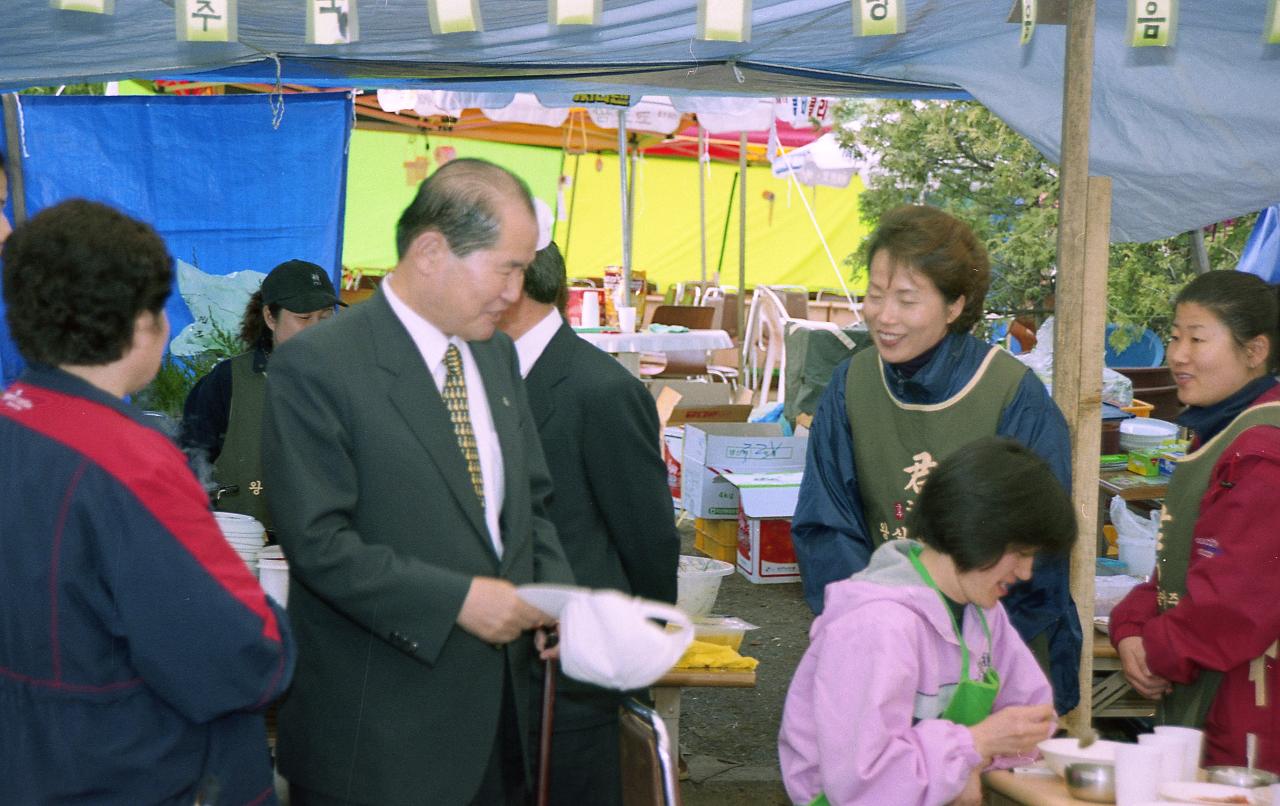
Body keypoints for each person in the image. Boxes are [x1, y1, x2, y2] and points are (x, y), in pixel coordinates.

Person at [262, 158, 574, 806]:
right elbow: (318, 541)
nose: (517, 292)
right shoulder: (318, 366)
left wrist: (557, 596)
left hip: (501, 728)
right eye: (506, 268)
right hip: (380, 743)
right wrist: (458, 599)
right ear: (432, 252)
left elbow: (529, 505)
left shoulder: (494, 355)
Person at [0, 199, 294, 805]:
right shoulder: (130, 462)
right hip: (137, 771)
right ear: (142, 323)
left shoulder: (15, 421)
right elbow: (239, 659)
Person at [790, 204, 1082, 715]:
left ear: (954, 306)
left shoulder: (1014, 394)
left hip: (995, 651)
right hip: (884, 641)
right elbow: (827, 524)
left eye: (907, 299)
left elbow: (1036, 553)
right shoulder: (850, 383)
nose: (884, 315)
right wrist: (868, 626)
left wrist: (950, 646)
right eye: (876, 295)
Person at [779, 437, 1076, 806]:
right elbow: (861, 785)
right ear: (973, 530)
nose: (1027, 572)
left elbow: (1030, 717)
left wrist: (984, 751)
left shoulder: (982, 614)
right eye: (1020, 552)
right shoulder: (878, 626)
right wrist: (975, 745)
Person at [496, 240, 679, 806]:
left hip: (572, 677)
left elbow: (648, 538)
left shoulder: (600, 389)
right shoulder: (482, 375)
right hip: (495, 667)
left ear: (514, 282)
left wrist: (627, 646)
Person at [1110, 270, 1280, 771]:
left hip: (1252, 708)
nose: (1177, 355)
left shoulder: (1264, 450)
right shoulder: (1227, 432)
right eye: (1176, 336)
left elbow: (1233, 604)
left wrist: (1155, 647)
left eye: (1197, 339)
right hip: (1217, 696)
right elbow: (1180, 565)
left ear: (1255, 351)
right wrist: (1131, 624)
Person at [181, 258, 344, 527]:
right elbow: (185, 473)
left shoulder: (348, 385)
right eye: (304, 318)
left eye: (325, 317)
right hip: (242, 554)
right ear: (270, 317)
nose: (317, 329)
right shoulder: (227, 383)